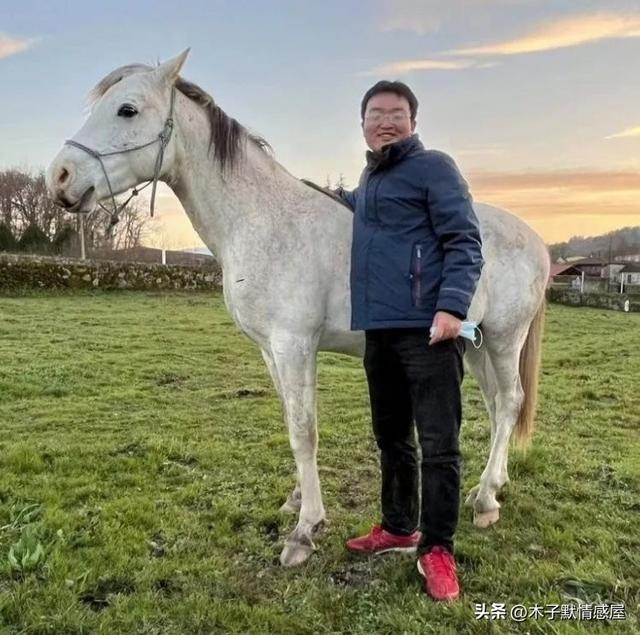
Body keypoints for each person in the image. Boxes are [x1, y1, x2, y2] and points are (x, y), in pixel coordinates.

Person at [335, 81, 484, 602]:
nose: (385, 121)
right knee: (392, 436)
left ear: (413, 122)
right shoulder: (370, 180)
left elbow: (464, 239)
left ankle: (438, 548)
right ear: (363, 125)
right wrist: (330, 195)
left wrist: (451, 307)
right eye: (375, 114)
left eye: (396, 113)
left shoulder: (433, 167)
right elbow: (364, 215)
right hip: (380, 330)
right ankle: (399, 527)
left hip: (430, 330)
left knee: (439, 444)